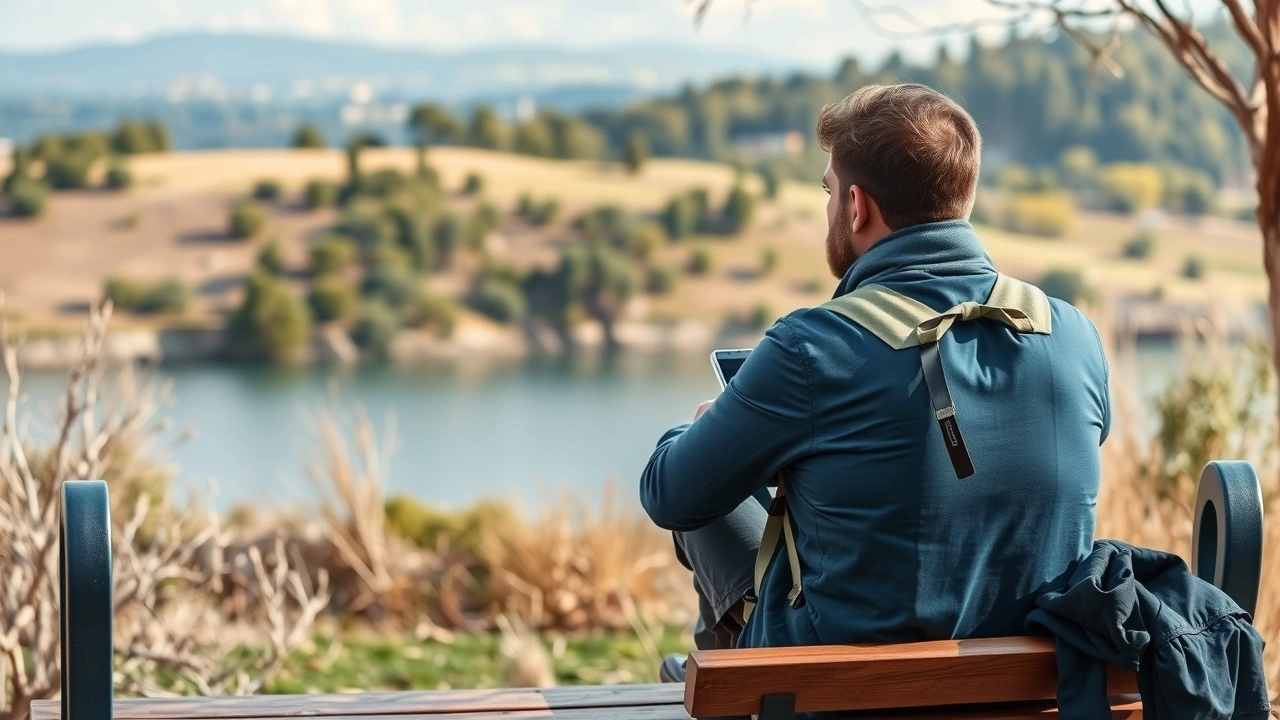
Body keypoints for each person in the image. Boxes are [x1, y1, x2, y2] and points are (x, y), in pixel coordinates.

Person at [638, 83, 1110, 681]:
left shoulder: (812, 348)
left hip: (838, 697)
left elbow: (667, 496)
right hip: (1034, 689)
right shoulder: (1072, 335)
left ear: (857, 206)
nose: (831, 207)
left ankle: (729, 680)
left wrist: (701, 432)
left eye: (829, 192)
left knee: (699, 484)